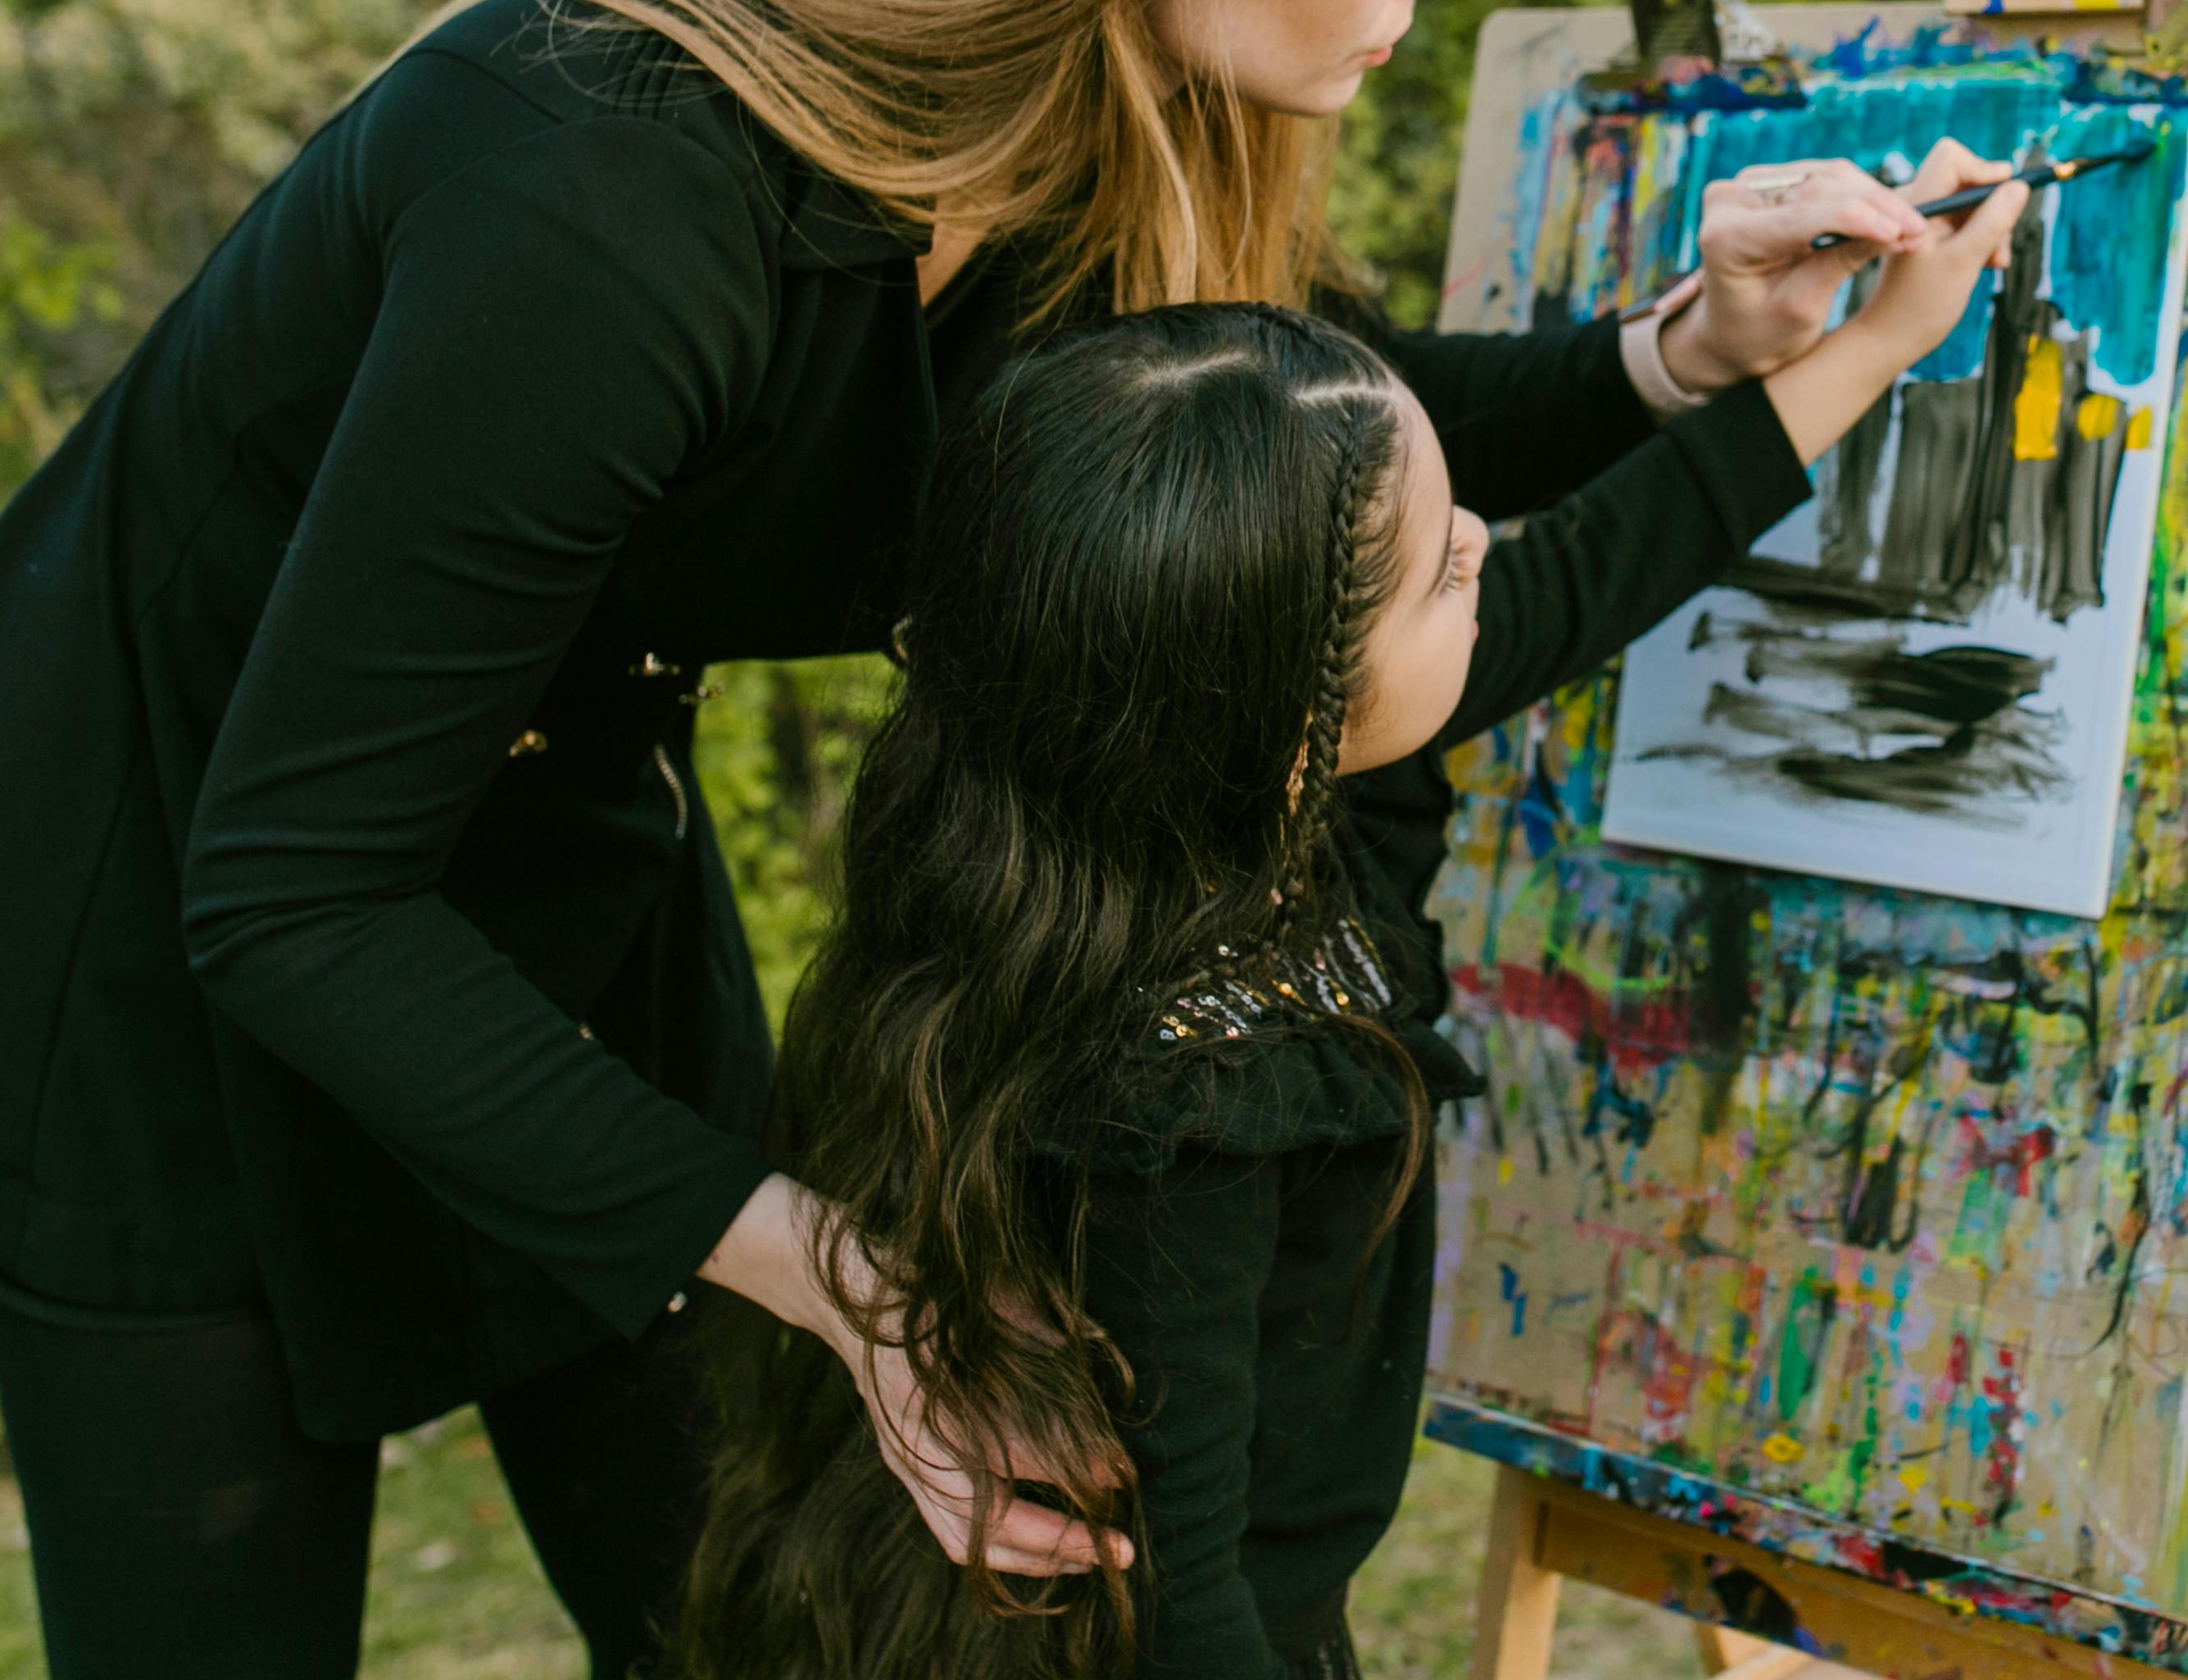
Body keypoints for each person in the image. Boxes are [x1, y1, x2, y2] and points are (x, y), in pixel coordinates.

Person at [0, 0, 1946, 1678]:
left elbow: (1291, 447)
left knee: (736, 1624)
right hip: (144, 925)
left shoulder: (1065, 101)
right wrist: (839, 1274)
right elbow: (288, 884)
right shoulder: (606, 181)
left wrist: (1668, 357)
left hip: (556, 859)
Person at [673, 168, 2024, 1680]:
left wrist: (1881, 340)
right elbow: (1170, 1604)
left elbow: (1600, 560)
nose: (1488, 559)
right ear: (1296, 695)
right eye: (1445, 567)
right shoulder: (1178, 1097)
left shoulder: (1208, 793)